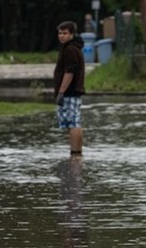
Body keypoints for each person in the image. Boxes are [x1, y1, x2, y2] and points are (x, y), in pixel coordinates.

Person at [54, 21, 85, 156]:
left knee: (73, 123)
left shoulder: (71, 49)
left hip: (70, 91)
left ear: (72, 34)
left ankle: (75, 153)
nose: (62, 36)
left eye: (65, 33)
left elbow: (69, 72)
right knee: (72, 122)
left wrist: (61, 92)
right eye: (60, 33)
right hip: (71, 91)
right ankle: (76, 153)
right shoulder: (70, 48)